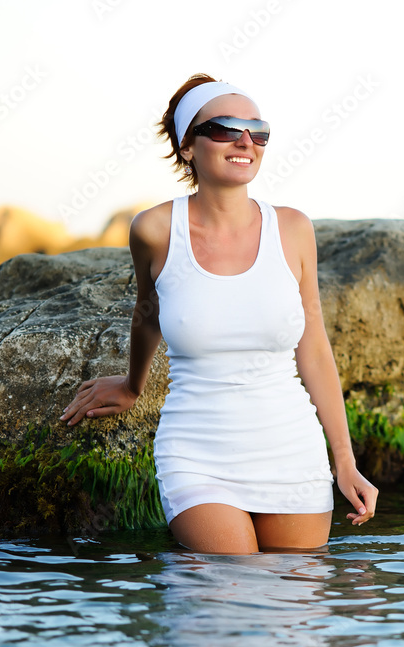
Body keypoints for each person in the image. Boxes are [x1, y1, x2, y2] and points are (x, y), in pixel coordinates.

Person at [59, 74, 378, 555]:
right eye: (226, 128)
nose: (246, 141)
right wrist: (131, 385)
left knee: (294, 610)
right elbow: (147, 313)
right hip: (198, 450)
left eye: (258, 131)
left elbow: (313, 347)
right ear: (188, 147)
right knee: (227, 587)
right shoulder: (155, 229)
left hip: (291, 449)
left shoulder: (292, 229)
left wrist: (345, 461)